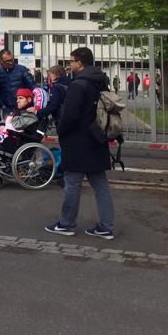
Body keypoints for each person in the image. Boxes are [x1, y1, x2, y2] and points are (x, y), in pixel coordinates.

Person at [45, 47, 116, 240]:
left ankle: (66, 223)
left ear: (80, 62)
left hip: (78, 139)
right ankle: (106, 226)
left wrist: (61, 130)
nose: (70, 65)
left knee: (72, 183)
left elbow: (70, 114)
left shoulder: (79, 84)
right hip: (97, 137)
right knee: (100, 183)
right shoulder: (101, 81)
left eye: (71, 61)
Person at [0, 49, 36, 120]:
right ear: (1, 61)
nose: (11, 62)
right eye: (8, 61)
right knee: (9, 128)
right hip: (7, 107)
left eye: (12, 59)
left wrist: (36, 97)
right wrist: (2, 105)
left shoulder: (22, 69)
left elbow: (32, 85)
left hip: (23, 106)